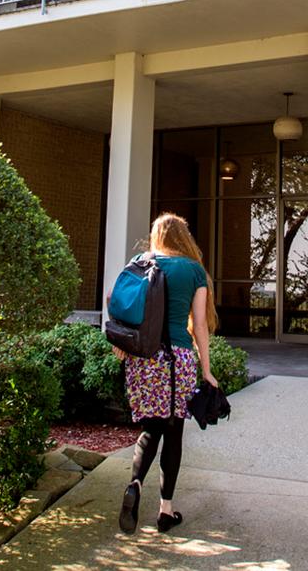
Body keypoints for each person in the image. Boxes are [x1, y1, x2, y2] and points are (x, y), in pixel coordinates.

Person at [114, 212, 220, 535]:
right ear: (183, 236)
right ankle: (165, 511)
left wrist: (121, 343)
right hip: (178, 360)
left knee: (150, 428)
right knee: (173, 432)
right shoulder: (194, 270)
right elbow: (199, 325)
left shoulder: (140, 261)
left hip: (143, 358)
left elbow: (115, 301)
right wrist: (207, 370)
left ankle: (134, 484)